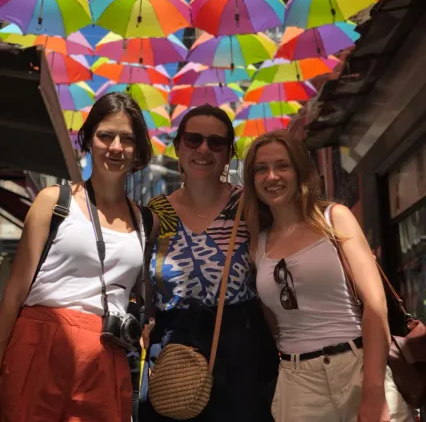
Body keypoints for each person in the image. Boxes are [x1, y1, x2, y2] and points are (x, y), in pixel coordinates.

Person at [0, 92, 152, 422]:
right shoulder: (53, 201)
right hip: (40, 343)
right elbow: (13, 296)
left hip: (105, 353)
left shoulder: (146, 221)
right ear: (88, 139)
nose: (116, 147)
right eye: (105, 135)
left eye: (127, 139)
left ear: (139, 149)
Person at [243, 130, 416, 422]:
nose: (272, 176)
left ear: (299, 171)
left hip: (358, 367)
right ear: (252, 180)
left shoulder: (334, 218)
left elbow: (375, 307)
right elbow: (273, 324)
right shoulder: (256, 245)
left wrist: (374, 392)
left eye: (282, 165)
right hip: (297, 383)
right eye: (261, 169)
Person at [140, 104, 278, 422]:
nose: (204, 149)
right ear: (178, 147)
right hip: (174, 357)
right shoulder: (155, 212)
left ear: (229, 153)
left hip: (243, 355)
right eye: (193, 140)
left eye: (216, 143)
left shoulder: (251, 206)